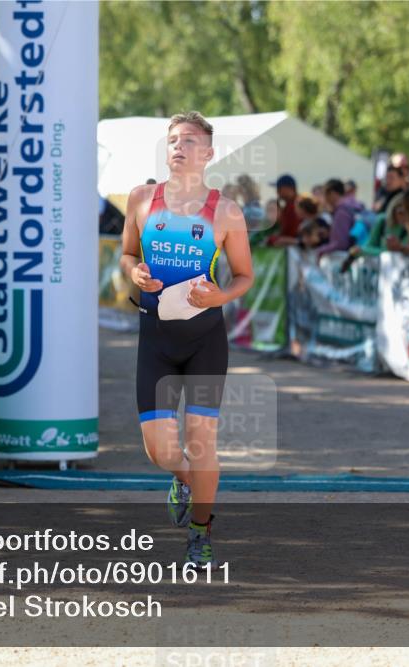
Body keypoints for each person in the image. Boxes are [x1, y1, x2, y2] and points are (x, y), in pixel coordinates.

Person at [119, 111, 253, 568]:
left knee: (202, 442)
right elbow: (127, 254)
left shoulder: (227, 212)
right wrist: (133, 271)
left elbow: (245, 276)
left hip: (204, 341)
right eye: (173, 139)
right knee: (159, 450)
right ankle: (183, 479)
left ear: (209, 153)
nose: (179, 146)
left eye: (190, 140)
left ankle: (200, 532)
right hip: (154, 338)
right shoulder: (141, 198)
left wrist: (221, 293)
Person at [342, 192, 409, 271]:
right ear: (393, 210)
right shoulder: (383, 221)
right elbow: (371, 244)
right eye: (400, 212)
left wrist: (364, 250)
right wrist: (360, 250)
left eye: (408, 213)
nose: (404, 216)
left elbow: (397, 253)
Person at [317, 178, 361, 257]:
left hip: (344, 259)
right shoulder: (351, 206)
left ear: (333, 194)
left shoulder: (341, 212)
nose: (325, 199)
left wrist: (321, 250)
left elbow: (341, 243)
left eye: (325, 194)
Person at [266, 173, 300, 246]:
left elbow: (289, 234)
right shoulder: (289, 205)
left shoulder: (295, 206)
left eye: (279, 188)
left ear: (288, 188)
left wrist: (273, 239)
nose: (277, 192)